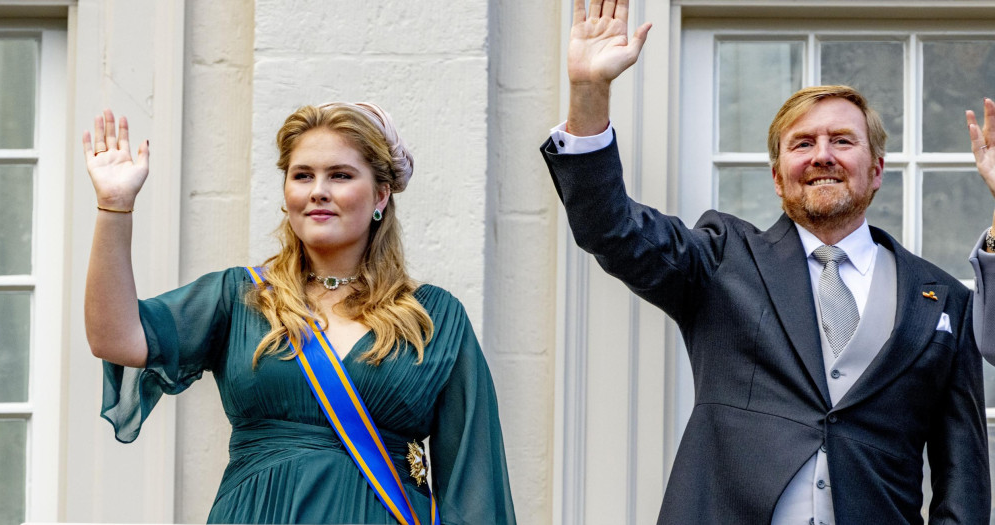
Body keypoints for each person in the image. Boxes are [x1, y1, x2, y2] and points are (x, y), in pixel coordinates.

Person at [541, 0, 995, 523]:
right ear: (778, 178)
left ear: (876, 170)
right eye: (802, 144)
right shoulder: (721, 259)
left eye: (842, 141)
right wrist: (589, 92)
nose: (822, 155)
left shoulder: (943, 301)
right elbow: (611, 229)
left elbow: (963, 478)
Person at [81, 102, 516, 524]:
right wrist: (115, 207)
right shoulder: (241, 296)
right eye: (302, 175)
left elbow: (474, 481)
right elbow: (114, 339)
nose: (317, 191)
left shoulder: (432, 317)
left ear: (381, 194)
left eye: (340, 175)